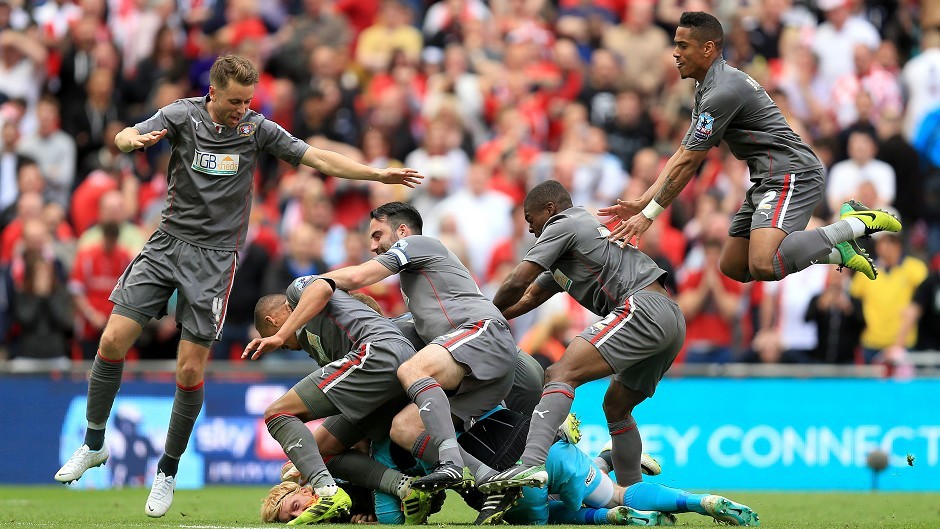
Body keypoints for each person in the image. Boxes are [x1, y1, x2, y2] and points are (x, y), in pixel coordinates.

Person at [53, 54, 423, 518]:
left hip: (214, 261)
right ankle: (93, 443)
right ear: (213, 93)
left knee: (189, 371)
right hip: (167, 243)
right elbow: (125, 133)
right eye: (234, 102)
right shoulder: (182, 115)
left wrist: (376, 173)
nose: (241, 110)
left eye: (248, 101)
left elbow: (315, 156)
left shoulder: (257, 129)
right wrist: (129, 141)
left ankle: (167, 472)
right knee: (112, 339)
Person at [475, 180, 754, 527]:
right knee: (616, 408)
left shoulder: (564, 224)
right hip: (669, 317)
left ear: (549, 210)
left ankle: (530, 465)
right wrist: (496, 315)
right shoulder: (571, 247)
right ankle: (633, 494)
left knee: (559, 374)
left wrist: (479, 320)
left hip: (642, 307)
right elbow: (529, 296)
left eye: (531, 219)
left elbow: (518, 280)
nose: (531, 230)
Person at [600, 11, 901, 285]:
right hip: (767, 177)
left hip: (792, 173)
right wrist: (642, 201)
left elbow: (690, 163)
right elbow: (682, 153)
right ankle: (839, 252)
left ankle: (852, 224)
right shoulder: (708, 86)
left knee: (763, 264)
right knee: (735, 266)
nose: (675, 54)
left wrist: (649, 215)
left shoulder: (722, 91)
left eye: (683, 46)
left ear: (707, 49)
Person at [322, 202, 518, 493]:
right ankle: (485, 478)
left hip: (483, 334)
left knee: (412, 369)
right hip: (478, 369)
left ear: (402, 231)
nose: (373, 246)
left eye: (377, 235)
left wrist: (310, 284)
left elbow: (357, 277)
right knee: (405, 428)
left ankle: (450, 464)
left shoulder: (417, 243)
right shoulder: (420, 282)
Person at [244, 279, 433, 524]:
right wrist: (306, 457)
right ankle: (405, 488)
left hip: (381, 355)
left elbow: (323, 287)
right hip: (388, 388)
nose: (284, 348)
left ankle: (326, 492)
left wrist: (279, 336)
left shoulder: (295, 293)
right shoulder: (318, 346)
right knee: (321, 451)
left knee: (277, 413)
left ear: (272, 321)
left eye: (277, 341)